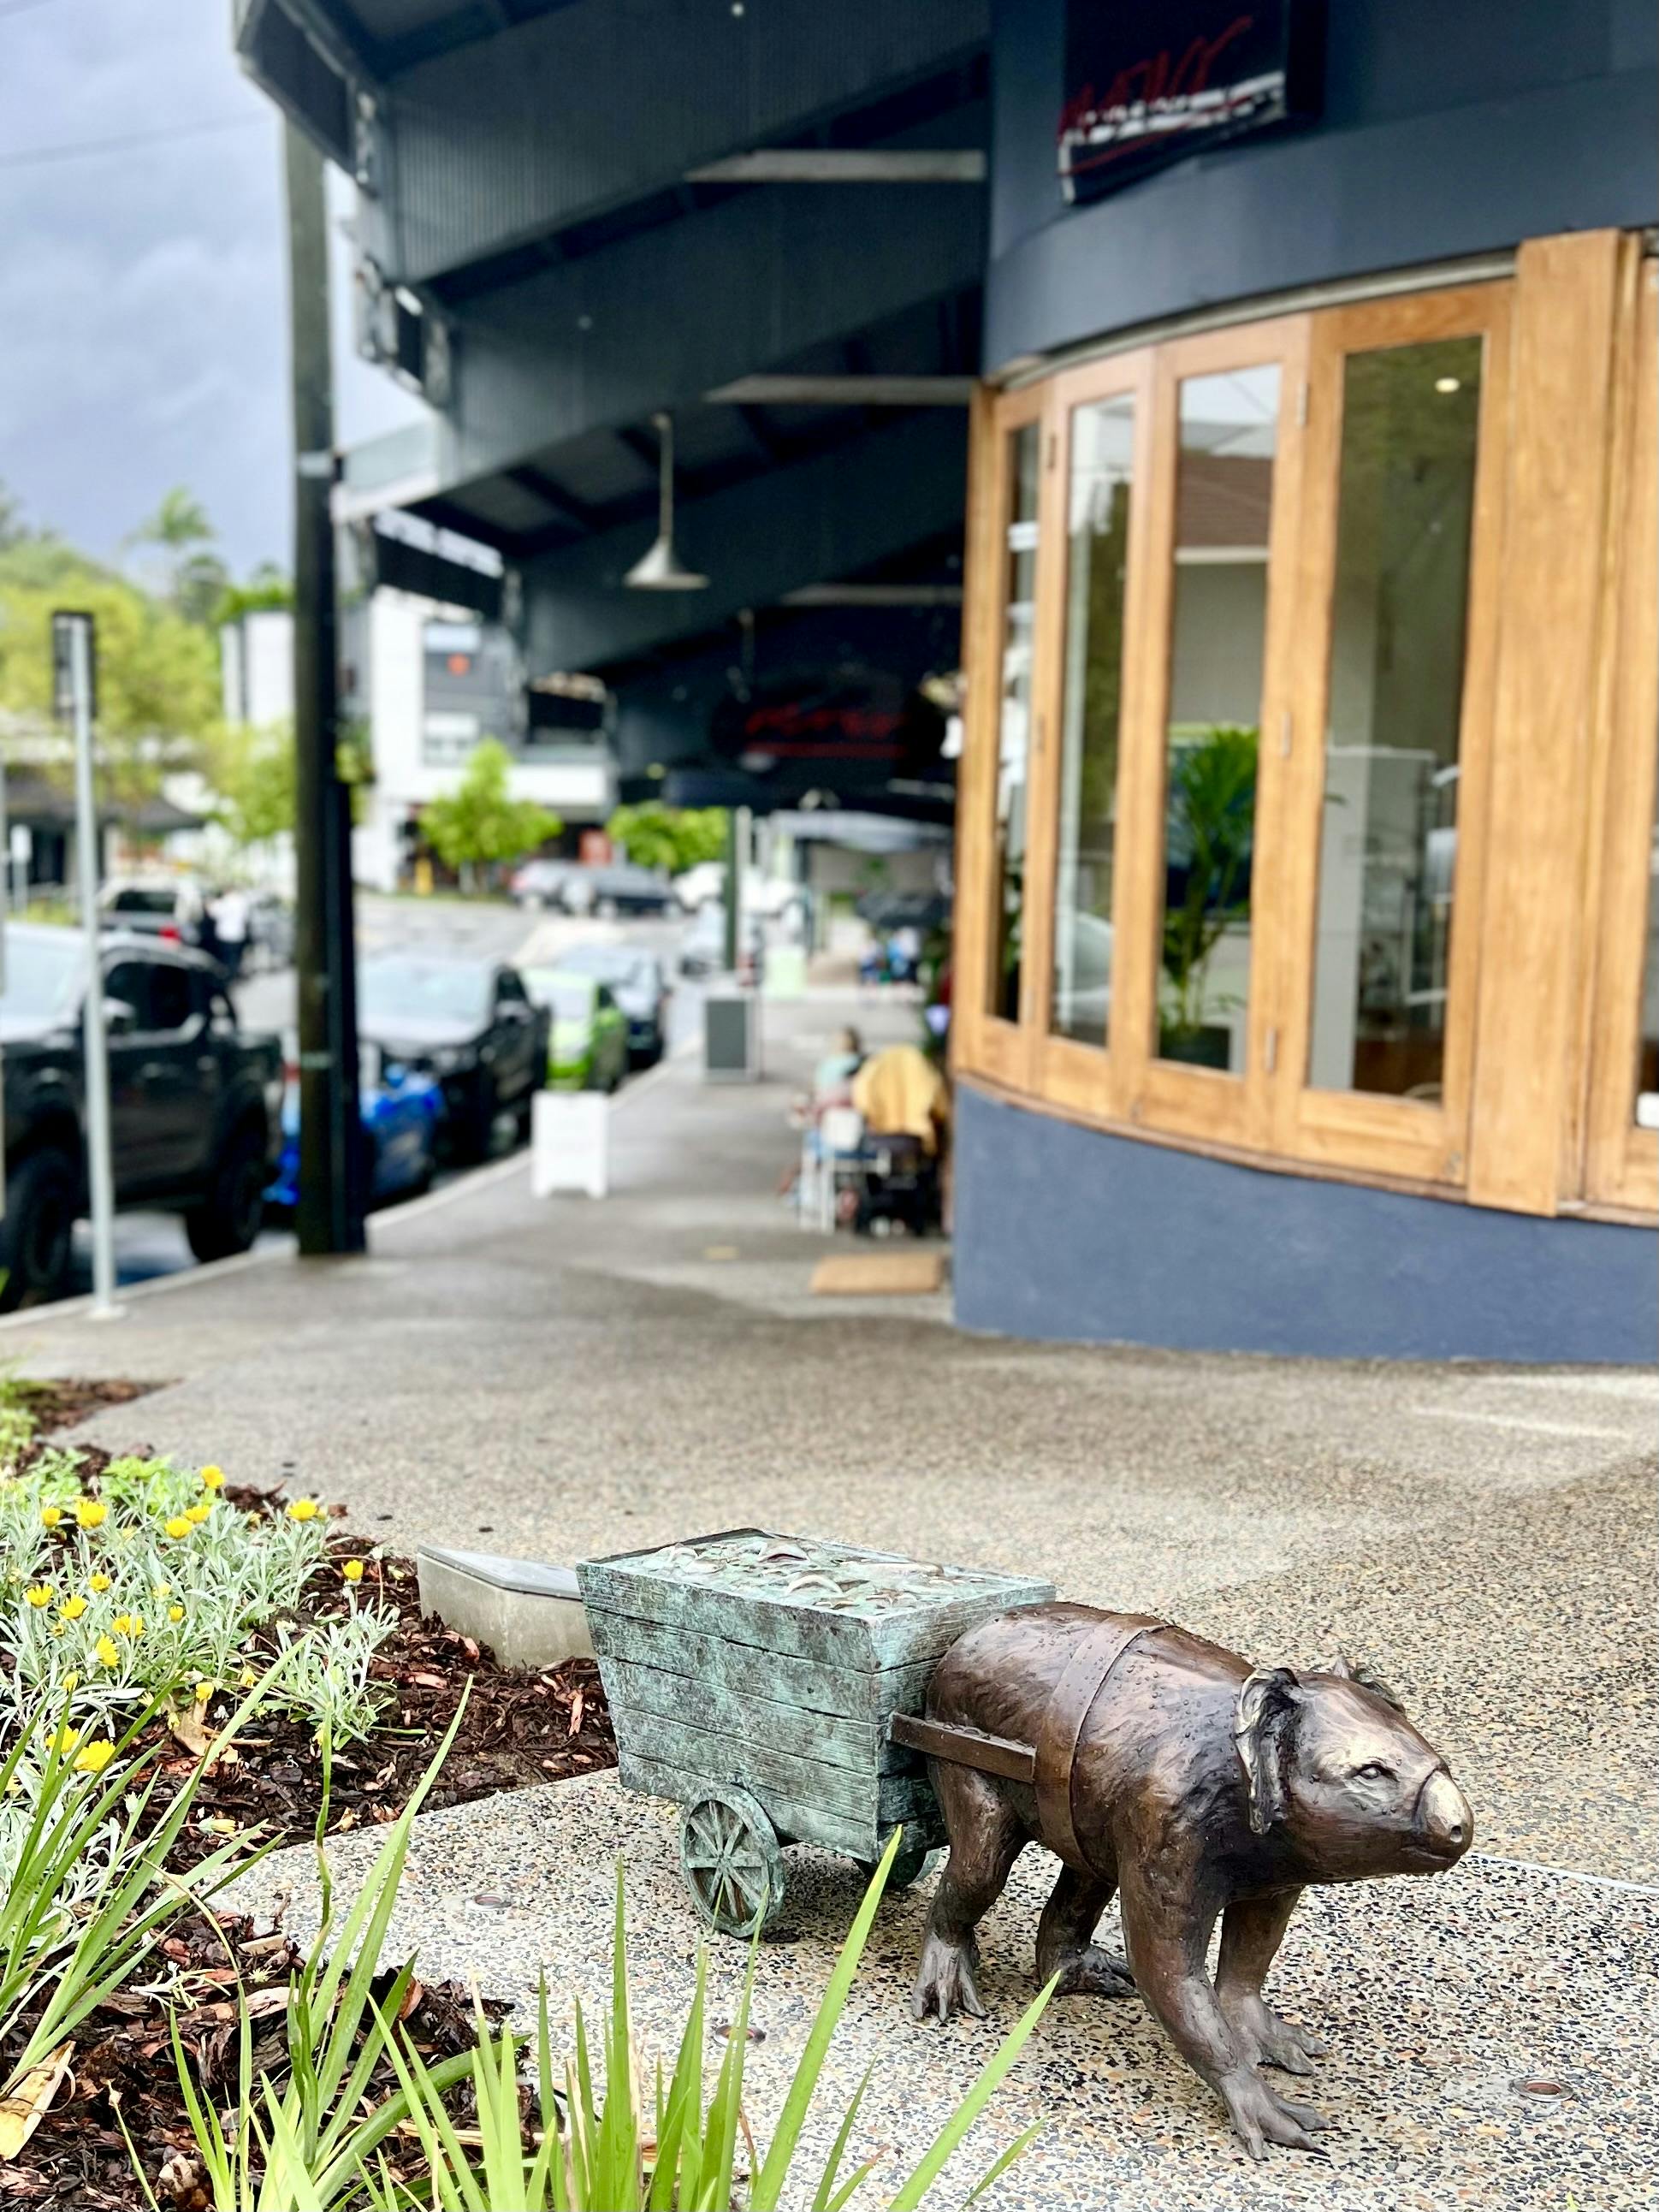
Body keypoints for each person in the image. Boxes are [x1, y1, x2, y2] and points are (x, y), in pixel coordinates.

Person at [211, 885, 250, 980]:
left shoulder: (224, 902)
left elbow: (214, 914)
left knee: (226, 957)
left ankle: (228, 976)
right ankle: (234, 974)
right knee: (235, 957)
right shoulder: (242, 901)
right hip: (238, 934)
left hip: (225, 935)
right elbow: (246, 918)